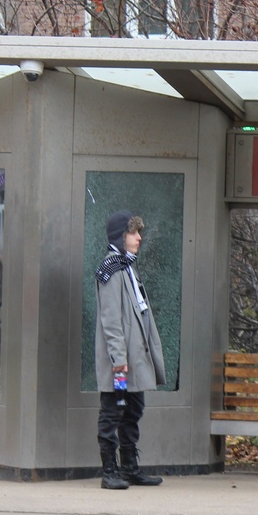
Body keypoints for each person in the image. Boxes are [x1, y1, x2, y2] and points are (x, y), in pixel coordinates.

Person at [94, 210, 166, 490]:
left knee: (133, 409)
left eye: (139, 232)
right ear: (120, 237)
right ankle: (110, 471)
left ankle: (129, 468)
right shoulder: (111, 270)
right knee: (112, 409)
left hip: (135, 360)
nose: (139, 238)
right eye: (134, 233)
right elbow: (111, 321)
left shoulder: (127, 267)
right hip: (121, 363)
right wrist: (119, 360)